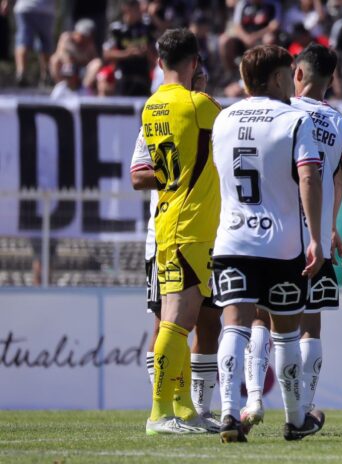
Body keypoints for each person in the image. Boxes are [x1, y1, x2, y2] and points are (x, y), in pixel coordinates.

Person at [239, 43, 342, 432]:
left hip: (272, 233)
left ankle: (253, 401)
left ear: (296, 74)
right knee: (309, 326)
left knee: (261, 319)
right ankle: (304, 407)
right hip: (318, 238)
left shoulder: (280, 114)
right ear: (332, 81)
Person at [211, 44, 325, 443]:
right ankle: (295, 419)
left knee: (235, 325)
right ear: (277, 78)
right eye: (287, 74)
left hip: (232, 238)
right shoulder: (295, 119)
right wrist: (314, 236)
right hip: (281, 243)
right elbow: (309, 177)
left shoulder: (223, 118)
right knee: (286, 332)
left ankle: (227, 412)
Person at [131, 64, 221, 433]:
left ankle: (185, 408)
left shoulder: (176, 113)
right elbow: (138, 174)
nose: (201, 84)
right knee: (171, 320)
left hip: (195, 230)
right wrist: (177, 172)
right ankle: (161, 410)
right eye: (198, 78)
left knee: (198, 321)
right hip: (176, 231)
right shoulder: (173, 115)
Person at [103, 0, 156, 96]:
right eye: (135, 9)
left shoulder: (146, 27)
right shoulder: (117, 29)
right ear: (126, 10)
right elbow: (107, 53)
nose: (139, 12)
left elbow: (155, 52)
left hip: (143, 76)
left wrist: (147, 50)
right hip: (123, 76)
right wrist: (127, 54)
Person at [3, 0, 55, 86]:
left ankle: (21, 72)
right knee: (45, 42)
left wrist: (6, 2)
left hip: (26, 7)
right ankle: (46, 74)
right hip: (45, 9)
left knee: (23, 40)